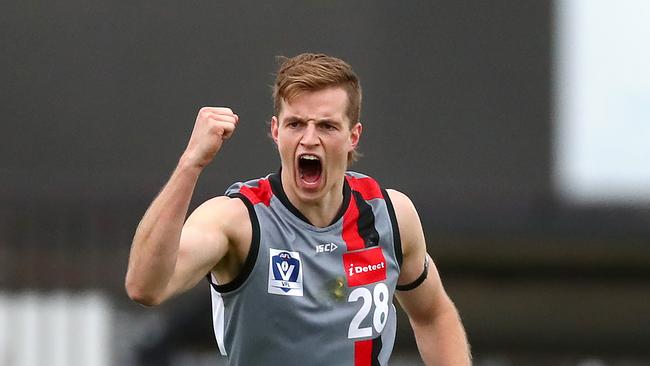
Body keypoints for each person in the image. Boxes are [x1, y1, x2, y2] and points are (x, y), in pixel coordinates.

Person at [125, 53, 471, 365]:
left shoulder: (391, 215)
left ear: (354, 136)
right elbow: (146, 286)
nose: (309, 139)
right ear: (276, 131)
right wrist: (190, 164)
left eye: (327, 126)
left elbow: (433, 313)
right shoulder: (239, 220)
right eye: (295, 124)